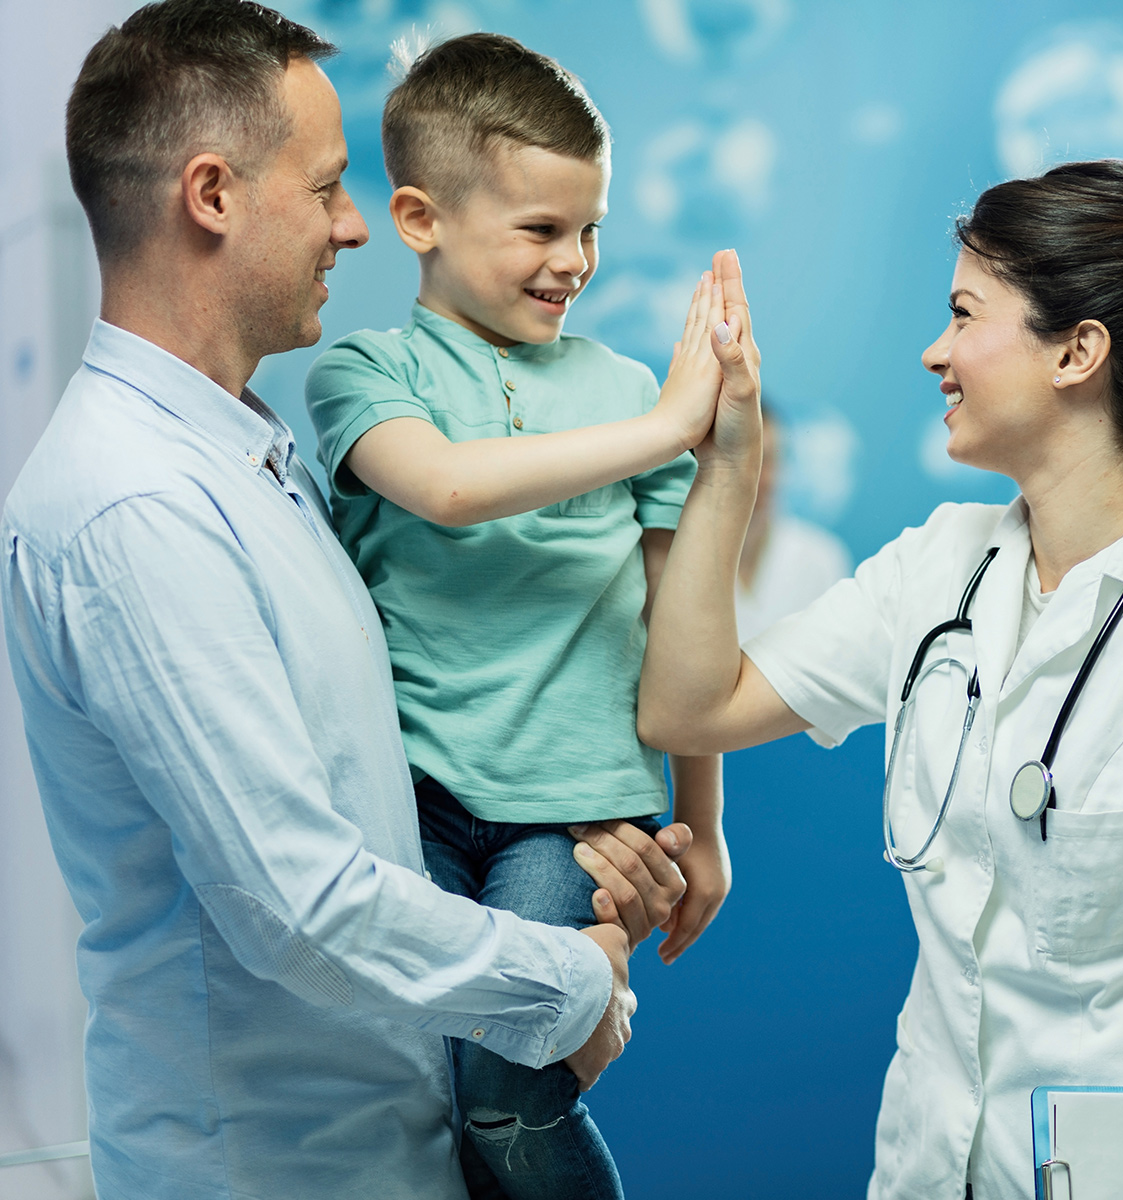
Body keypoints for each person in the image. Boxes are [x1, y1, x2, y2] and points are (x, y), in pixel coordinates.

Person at [0, 5, 692, 1198]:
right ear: (212, 195)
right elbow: (299, 904)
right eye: (326, 189)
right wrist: (572, 981)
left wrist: (598, 891)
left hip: (393, 1145)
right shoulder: (135, 511)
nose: (356, 224)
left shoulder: (253, 458)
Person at [638, 161, 1123, 1198]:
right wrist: (729, 460)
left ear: (1079, 350)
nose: (934, 352)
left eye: (964, 314)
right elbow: (688, 706)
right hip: (930, 1169)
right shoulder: (937, 570)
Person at [304, 34, 732, 1200]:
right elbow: (446, 487)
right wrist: (668, 429)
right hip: (419, 812)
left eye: (590, 228)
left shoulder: (625, 388)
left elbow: (679, 623)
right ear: (418, 217)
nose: (575, 261)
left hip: (575, 825)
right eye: (542, 231)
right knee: (424, 1091)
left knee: (505, 1088)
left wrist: (704, 823)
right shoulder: (362, 375)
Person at [735, 403, 852, 641]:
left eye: (774, 459)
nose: (767, 477)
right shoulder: (677, 556)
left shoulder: (820, 558)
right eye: (751, 460)